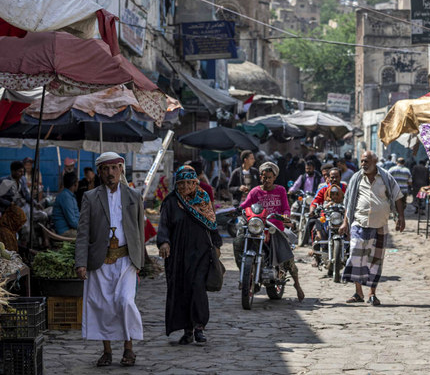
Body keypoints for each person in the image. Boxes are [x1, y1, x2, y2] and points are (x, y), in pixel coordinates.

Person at [75, 152, 144, 367]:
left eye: (114, 168)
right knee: (102, 306)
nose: (110, 173)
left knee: (125, 302)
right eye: (105, 169)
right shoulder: (90, 197)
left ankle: (129, 348)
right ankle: (107, 351)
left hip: (125, 261)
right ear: (99, 172)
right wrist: (81, 262)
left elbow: (139, 231)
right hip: (99, 261)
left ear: (121, 169)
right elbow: (83, 232)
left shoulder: (134, 196)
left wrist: (140, 261)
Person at [157, 165, 222, 345]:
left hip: (201, 252)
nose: (185, 186)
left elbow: (211, 222)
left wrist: (217, 244)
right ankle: (187, 330)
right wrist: (164, 242)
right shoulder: (170, 202)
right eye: (181, 183)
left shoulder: (203, 199)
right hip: (177, 254)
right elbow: (163, 226)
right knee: (182, 290)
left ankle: (199, 327)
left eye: (189, 182)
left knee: (197, 288)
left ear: (195, 182)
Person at [339, 151, 405, 306]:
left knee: (375, 261)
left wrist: (400, 217)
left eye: (367, 161)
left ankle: (372, 294)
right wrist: (345, 222)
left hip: (380, 224)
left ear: (375, 162)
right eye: (362, 161)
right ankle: (358, 292)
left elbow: (398, 196)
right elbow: (348, 202)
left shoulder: (386, 177)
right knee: (356, 257)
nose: (363, 164)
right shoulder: (356, 178)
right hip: (359, 222)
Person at [234, 162, 305, 301]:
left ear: (275, 177)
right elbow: (245, 205)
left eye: (269, 177)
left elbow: (286, 207)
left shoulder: (280, 190)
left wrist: (285, 215)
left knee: (287, 256)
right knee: (238, 242)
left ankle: (297, 284)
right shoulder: (255, 191)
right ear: (260, 176)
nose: (266, 180)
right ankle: (246, 274)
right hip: (258, 227)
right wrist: (236, 210)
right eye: (264, 177)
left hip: (275, 228)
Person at [0, 161, 48, 246]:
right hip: (13, 210)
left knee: (43, 215)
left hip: (26, 207)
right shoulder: (5, 182)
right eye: (20, 171)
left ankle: (43, 240)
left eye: (23, 171)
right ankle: (24, 248)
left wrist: (35, 203)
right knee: (26, 228)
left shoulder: (22, 180)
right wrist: (9, 203)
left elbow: (27, 196)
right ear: (13, 171)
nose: (22, 174)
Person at [308, 167, 347, 267]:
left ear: (340, 177)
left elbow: (353, 200)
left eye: (336, 177)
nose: (334, 179)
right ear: (328, 178)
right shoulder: (323, 189)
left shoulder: (346, 188)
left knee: (353, 231)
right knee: (316, 229)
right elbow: (314, 202)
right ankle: (316, 255)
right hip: (326, 217)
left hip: (343, 217)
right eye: (332, 177)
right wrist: (312, 210)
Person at [52, 172, 80, 238]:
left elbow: (76, 215)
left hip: (70, 228)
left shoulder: (69, 195)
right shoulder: (66, 197)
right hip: (65, 231)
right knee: (91, 236)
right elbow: (72, 222)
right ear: (75, 184)